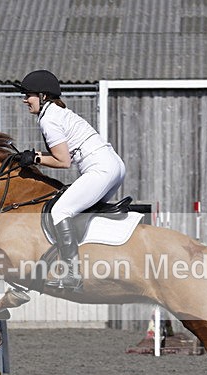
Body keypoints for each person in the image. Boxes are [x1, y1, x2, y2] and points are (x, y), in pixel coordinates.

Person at [13, 70, 126, 291]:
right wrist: (36, 155)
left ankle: (72, 275)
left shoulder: (49, 119)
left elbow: (63, 162)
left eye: (29, 95)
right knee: (77, 213)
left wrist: (35, 158)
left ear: (43, 96)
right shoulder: (57, 113)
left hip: (100, 169)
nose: (24, 99)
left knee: (59, 211)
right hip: (113, 166)